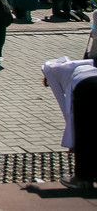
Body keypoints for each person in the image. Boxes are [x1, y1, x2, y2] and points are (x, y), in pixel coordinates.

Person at [42, 54, 97, 190]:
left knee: (83, 132)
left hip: (85, 87)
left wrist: (71, 140)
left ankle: (82, 179)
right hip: (92, 81)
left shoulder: (59, 76)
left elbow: (68, 112)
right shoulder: (80, 66)